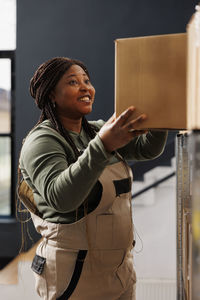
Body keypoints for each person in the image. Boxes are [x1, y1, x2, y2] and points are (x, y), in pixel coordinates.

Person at [17, 56, 168, 300]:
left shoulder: (95, 131)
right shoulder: (42, 141)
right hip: (74, 273)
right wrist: (104, 145)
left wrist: (159, 113)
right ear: (51, 95)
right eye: (73, 82)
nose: (86, 86)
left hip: (119, 271)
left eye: (87, 80)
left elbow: (146, 149)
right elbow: (61, 198)